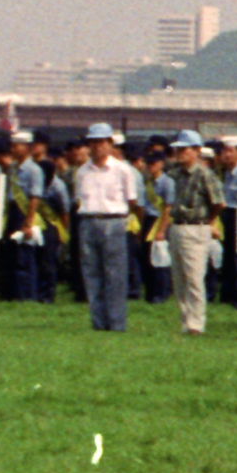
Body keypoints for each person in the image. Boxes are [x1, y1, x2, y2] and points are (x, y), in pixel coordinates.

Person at [69, 121, 140, 331]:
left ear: (110, 144)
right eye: (93, 142)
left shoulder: (123, 170)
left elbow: (132, 200)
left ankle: (117, 323)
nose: (97, 146)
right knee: (91, 273)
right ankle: (98, 322)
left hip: (114, 221)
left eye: (101, 142)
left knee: (115, 275)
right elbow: (78, 200)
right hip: (88, 221)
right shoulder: (82, 172)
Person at [161, 132, 224, 336]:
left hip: (196, 226)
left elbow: (218, 202)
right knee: (179, 278)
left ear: (196, 151)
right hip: (177, 225)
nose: (179, 153)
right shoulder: (175, 173)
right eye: (178, 149)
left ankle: (197, 322)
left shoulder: (205, 174)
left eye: (184, 149)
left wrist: (208, 221)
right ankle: (185, 319)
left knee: (195, 277)